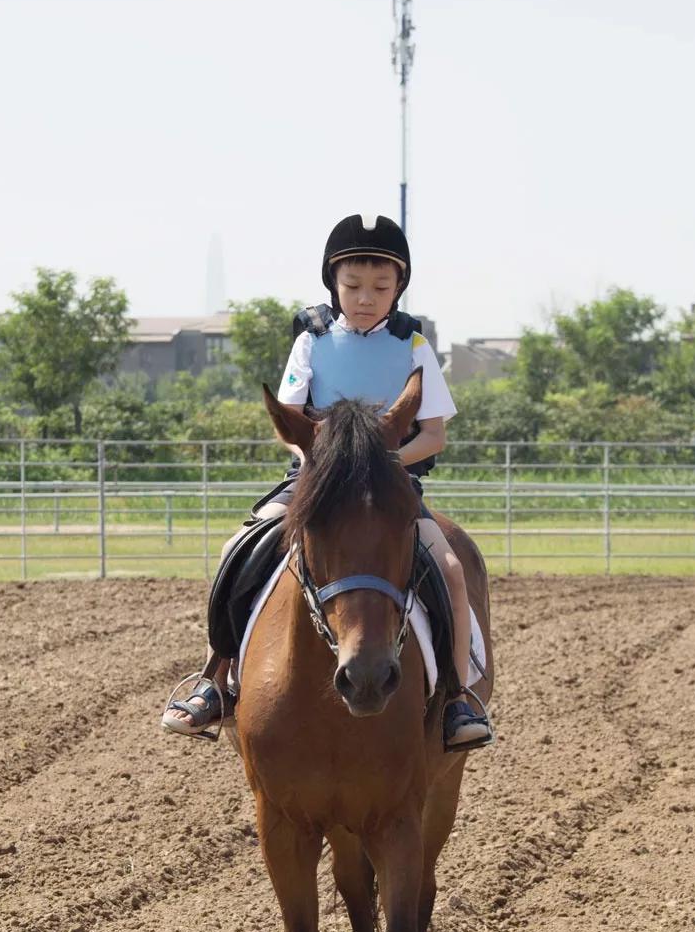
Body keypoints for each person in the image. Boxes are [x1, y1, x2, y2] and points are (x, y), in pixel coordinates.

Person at [161, 213, 493, 749]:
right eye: (353, 285)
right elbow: (289, 423)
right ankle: (214, 681)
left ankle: (457, 698)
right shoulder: (313, 342)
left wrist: (389, 462)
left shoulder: (414, 348)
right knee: (235, 547)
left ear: (398, 289)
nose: (366, 297)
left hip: (389, 484)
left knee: (451, 568)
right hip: (315, 479)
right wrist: (317, 458)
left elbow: (434, 436)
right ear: (333, 285)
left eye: (381, 287)